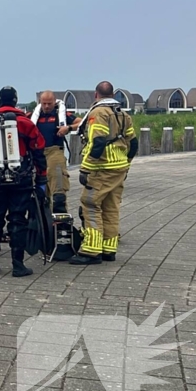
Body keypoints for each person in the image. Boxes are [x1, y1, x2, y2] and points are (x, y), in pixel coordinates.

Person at [0, 86, 47, 277]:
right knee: (17, 220)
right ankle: (17, 264)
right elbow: (38, 150)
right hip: (20, 180)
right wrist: (41, 178)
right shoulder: (25, 123)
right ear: (15, 101)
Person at [70, 81, 137, 265]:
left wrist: (85, 168)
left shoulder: (98, 113)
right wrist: (126, 164)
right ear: (113, 94)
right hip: (119, 168)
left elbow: (97, 143)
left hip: (102, 168)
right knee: (111, 207)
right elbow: (134, 143)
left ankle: (91, 251)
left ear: (95, 94)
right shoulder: (123, 114)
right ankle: (109, 249)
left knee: (90, 204)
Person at [29, 90, 82, 212]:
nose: (47, 106)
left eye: (49, 103)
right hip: (37, 155)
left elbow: (81, 123)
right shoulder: (32, 116)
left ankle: (60, 217)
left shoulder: (61, 115)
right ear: (40, 103)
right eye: (44, 103)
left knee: (58, 189)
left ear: (55, 102)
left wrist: (68, 128)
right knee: (40, 194)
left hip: (55, 152)